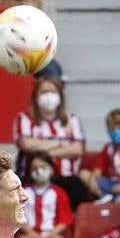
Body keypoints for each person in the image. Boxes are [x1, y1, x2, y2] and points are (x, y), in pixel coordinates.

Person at [13, 77, 89, 208]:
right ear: (36, 96)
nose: (49, 96)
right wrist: (60, 143)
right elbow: (26, 144)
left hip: (65, 179)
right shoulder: (24, 119)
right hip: (31, 178)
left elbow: (77, 150)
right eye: (44, 92)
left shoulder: (71, 120)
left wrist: (40, 150)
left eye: (53, 91)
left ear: (60, 95)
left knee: (79, 188)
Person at [0, 0, 61, 80]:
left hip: (40, 59)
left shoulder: (47, 5)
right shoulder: (5, 5)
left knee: (51, 70)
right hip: (12, 58)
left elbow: (50, 40)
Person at [18, 151, 72, 238]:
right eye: (35, 168)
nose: (39, 171)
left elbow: (64, 222)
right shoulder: (23, 192)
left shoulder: (59, 193)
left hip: (53, 234)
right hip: (29, 234)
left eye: (43, 167)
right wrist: (32, 234)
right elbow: (17, 216)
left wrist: (47, 236)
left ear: (51, 168)